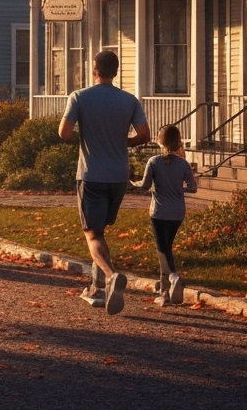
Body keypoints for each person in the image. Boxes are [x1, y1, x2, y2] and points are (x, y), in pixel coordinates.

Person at [59, 50, 151, 316]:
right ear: (116, 71)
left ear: (94, 69)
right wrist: (125, 142)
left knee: (93, 234)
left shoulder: (80, 97)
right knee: (101, 231)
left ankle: (111, 277)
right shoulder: (129, 100)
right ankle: (96, 288)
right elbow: (143, 134)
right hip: (119, 176)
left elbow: (64, 133)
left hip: (91, 174)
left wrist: (88, 132)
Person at [133, 125, 199, 306]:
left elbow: (145, 186)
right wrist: (180, 188)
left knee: (162, 250)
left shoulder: (154, 162)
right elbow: (193, 188)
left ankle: (173, 277)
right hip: (177, 212)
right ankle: (165, 293)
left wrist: (132, 183)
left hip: (159, 212)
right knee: (166, 248)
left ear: (160, 140)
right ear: (177, 141)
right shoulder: (183, 164)